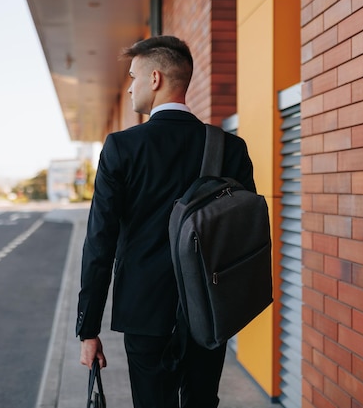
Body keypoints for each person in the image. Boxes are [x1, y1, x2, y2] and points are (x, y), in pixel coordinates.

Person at [76, 35, 256, 408]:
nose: (129, 88)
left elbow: (100, 244)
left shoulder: (122, 148)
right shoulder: (229, 148)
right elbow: (243, 237)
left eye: (133, 77)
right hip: (209, 308)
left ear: (155, 78)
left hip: (145, 312)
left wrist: (88, 329)